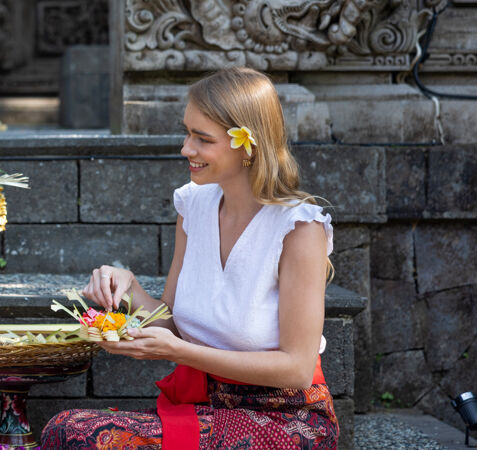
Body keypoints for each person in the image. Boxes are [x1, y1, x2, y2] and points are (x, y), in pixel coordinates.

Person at [41, 67, 339, 449]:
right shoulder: (195, 204)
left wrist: (180, 353)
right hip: (204, 406)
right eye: (187, 133)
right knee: (67, 429)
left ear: (247, 145)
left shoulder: (298, 227)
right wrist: (129, 288)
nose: (186, 148)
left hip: (285, 416)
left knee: (77, 434)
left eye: (203, 139)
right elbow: (173, 320)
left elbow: (297, 370)